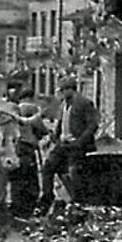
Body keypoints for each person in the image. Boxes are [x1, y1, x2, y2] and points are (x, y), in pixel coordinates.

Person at [39, 78, 98, 215]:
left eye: (63, 90)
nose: (61, 93)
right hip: (63, 144)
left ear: (70, 89)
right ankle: (47, 199)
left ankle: (78, 204)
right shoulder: (62, 105)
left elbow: (92, 125)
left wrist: (80, 141)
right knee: (48, 166)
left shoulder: (84, 103)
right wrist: (54, 135)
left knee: (74, 172)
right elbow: (60, 125)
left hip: (78, 146)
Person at [10, 88, 47, 219]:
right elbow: (40, 128)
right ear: (31, 97)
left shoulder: (12, 109)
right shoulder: (32, 108)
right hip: (27, 147)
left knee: (17, 179)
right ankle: (27, 210)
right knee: (30, 180)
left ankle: (16, 208)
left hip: (15, 148)